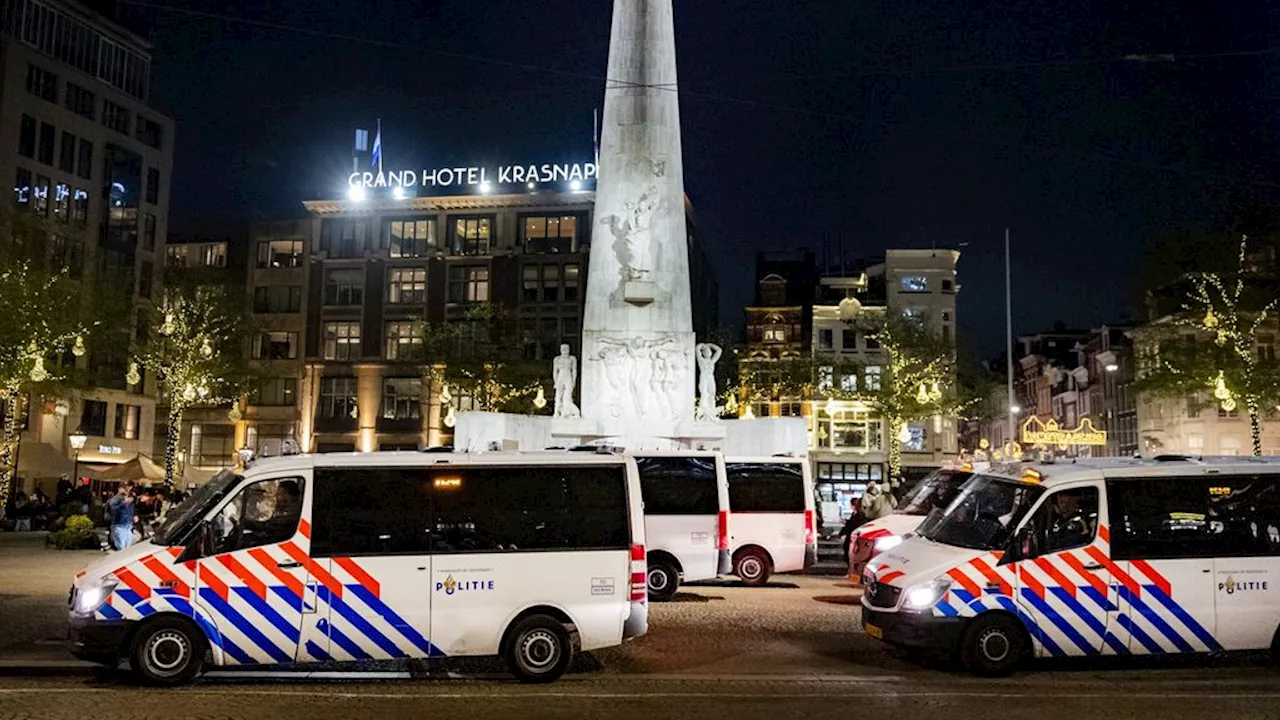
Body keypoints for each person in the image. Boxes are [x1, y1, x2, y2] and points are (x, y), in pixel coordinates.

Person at [108, 486, 136, 551]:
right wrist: (123, 502)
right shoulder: (117, 499)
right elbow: (112, 508)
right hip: (119, 525)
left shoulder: (130, 499)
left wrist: (134, 516)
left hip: (128, 525)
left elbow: (131, 510)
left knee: (127, 548)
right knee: (121, 548)